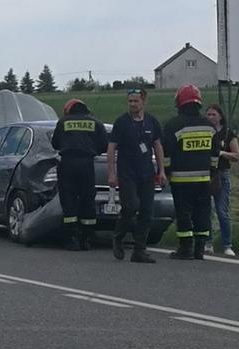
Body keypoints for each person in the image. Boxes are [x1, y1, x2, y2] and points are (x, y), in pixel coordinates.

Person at [106, 88, 165, 263]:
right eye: (130, 101)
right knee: (130, 207)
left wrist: (161, 171)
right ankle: (118, 237)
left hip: (147, 172)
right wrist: (111, 173)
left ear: (144, 101)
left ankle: (140, 250)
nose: (132, 104)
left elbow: (157, 146)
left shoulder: (152, 122)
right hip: (127, 173)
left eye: (136, 101)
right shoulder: (122, 122)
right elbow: (111, 148)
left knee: (147, 211)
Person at [161, 85, 219, 260]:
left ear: (179, 103)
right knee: (202, 212)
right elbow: (215, 154)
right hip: (203, 179)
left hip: (181, 180)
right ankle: (200, 249)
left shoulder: (173, 125)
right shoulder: (209, 126)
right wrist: (213, 173)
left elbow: (167, 154)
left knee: (183, 213)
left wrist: (168, 172)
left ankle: (186, 248)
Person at [51, 99, 107, 251]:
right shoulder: (96, 123)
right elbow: (104, 145)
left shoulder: (63, 122)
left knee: (68, 201)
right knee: (87, 200)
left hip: (67, 164)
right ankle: (87, 239)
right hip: (87, 165)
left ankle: (71, 239)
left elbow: (55, 144)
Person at [206, 104, 239, 258]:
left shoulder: (227, 134)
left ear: (220, 116)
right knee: (206, 210)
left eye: (213, 114)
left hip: (221, 174)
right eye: (208, 114)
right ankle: (208, 242)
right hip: (206, 174)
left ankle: (227, 244)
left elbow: (236, 155)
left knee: (222, 211)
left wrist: (220, 153)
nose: (210, 117)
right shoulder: (205, 132)